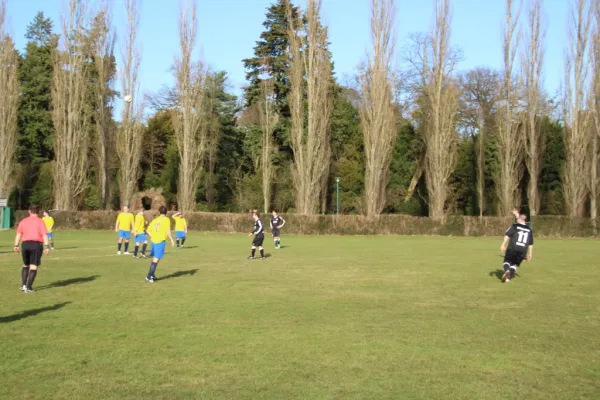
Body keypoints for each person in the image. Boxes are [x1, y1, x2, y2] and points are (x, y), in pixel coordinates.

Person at [13, 205, 50, 293]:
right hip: (36, 245)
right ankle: (29, 287)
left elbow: (18, 234)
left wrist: (16, 245)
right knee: (33, 266)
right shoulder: (40, 222)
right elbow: (45, 235)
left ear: (29, 211)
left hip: (25, 244)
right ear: (38, 212)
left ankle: (23, 285)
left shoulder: (23, 221)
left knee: (25, 265)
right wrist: (47, 246)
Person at [500, 212, 534, 283]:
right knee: (515, 265)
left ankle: (507, 271)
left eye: (517, 218)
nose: (517, 219)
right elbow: (530, 243)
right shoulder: (529, 230)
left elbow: (507, 235)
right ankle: (508, 278)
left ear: (521, 219)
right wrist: (530, 253)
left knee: (507, 261)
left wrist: (503, 244)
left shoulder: (515, 226)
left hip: (513, 247)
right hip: (522, 250)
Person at [145, 206, 175, 283]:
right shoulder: (166, 220)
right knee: (156, 259)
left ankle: (152, 274)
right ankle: (149, 276)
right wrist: (171, 239)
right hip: (160, 241)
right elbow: (168, 230)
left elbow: (147, 230)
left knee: (156, 258)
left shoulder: (155, 220)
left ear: (159, 212)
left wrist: (152, 237)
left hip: (153, 241)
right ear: (166, 212)